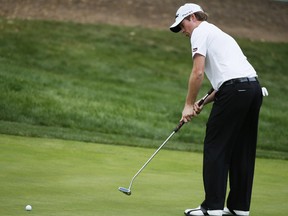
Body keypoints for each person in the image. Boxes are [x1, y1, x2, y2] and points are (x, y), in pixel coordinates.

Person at [169, 3, 263, 216]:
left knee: (216, 147)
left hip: (234, 91)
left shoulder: (200, 31)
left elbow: (198, 72)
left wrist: (187, 105)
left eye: (182, 25)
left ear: (192, 17)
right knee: (242, 150)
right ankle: (239, 208)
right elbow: (228, 81)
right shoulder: (219, 34)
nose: (182, 31)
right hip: (253, 89)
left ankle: (212, 208)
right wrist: (201, 102)